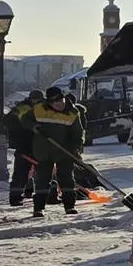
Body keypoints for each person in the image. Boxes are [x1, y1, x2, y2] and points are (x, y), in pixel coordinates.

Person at [30, 88, 85, 217]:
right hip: (43, 151)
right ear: (49, 103)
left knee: (66, 179)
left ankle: (69, 206)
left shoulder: (72, 113)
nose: (60, 105)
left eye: (61, 101)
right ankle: (38, 208)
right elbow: (25, 120)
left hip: (64, 152)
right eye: (56, 104)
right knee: (42, 180)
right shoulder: (38, 109)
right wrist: (34, 127)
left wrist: (76, 147)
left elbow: (78, 133)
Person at [5, 89, 44, 207]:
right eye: (34, 99)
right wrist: (20, 130)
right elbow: (7, 121)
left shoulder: (45, 108)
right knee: (21, 173)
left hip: (41, 145)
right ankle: (16, 197)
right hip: (24, 145)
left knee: (44, 173)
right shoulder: (21, 108)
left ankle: (44, 195)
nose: (36, 102)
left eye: (38, 100)